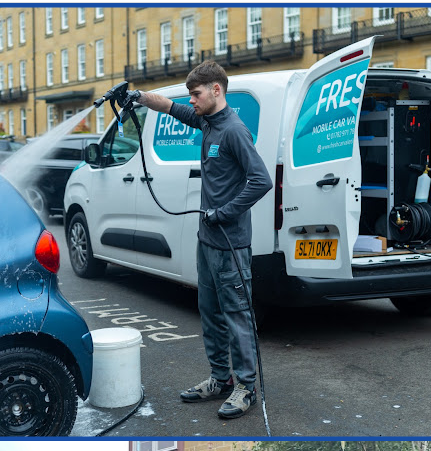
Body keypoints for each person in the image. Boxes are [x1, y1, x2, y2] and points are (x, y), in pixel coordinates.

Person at [127, 60, 273, 419]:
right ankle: (220, 380)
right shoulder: (207, 121)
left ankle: (245, 387)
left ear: (216, 90)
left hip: (230, 243)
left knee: (237, 315)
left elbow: (261, 181)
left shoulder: (234, 131)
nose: (191, 100)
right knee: (209, 312)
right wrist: (137, 96)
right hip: (207, 242)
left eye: (196, 93)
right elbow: (171, 107)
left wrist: (223, 212)